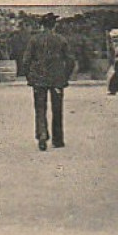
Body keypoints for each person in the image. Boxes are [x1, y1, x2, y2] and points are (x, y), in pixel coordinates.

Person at [22, 13, 75, 151]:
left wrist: (29, 77)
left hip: (39, 79)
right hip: (57, 79)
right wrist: (65, 76)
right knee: (57, 109)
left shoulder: (34, 40)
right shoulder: (61, 40)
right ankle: (58, 139)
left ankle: (42, 135)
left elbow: (26, 61)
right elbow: (70, 60)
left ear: (41, 25)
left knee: (40, 108)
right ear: (54, 25)